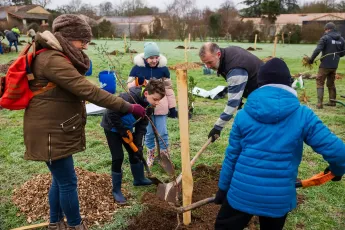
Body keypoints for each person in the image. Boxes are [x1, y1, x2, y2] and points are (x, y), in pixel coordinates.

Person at [23, 14, 146, 230]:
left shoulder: (53, 56)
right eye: (83, 41)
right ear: (68, 38)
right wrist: (128, 106)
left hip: (53, 129)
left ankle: (55, 223)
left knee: (59, 181)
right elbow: (88, 90)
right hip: (50, 132)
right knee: (68, 182)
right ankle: (75, 225)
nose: (86, 47)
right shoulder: (53, 59)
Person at [214, 58, 345, 230]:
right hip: (278, 198)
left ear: (260, 83)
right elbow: (340, 153)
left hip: (242, 194)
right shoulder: (303, 115)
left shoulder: (243, 115)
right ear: (289, 83)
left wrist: (223, 189)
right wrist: (337, 170)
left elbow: (232, 156)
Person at [101, 79, 166, 204]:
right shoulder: (129, 98)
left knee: (135, 152)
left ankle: (139, 179)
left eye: (159, 100)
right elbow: (111, 112)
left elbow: (142, 127)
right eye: (155, 99)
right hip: (112, 127)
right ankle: (116, 190)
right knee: (118, 157)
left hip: (127, 127)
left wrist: (138, 143)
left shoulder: (149, 107)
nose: (157, 103)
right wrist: (121, 131)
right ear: (146, 93)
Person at [199, 42, 263, 142]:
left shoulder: (235, 68)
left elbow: (233, 103)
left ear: (218, 54)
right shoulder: (227, 55)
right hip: (257, 93)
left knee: (259, 131)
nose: (207, 67)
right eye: (205, 63)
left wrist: (217, 127)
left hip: (267, 96)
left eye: (210, 62)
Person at [127, 42, 177, 167]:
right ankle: (150, 156)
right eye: (151, 58)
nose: (154, 60)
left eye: (156, 57)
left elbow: (169, 90)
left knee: (163, 132)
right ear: (145, 58)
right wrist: (137, 82)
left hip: (161, 107)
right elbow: (130, 87)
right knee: (148, 133)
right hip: (144, 108)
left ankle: (164, 157)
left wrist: (172, 107)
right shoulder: (137, 69)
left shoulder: (163, 70)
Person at [308, 22, 345, 109]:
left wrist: (311, 59)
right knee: (331, 83)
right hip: (334, 65)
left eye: (325, 30)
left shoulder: (325, 38)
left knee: (320, 82)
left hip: (325, 65)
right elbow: (343, 53)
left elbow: (318, 49)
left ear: (327, 29)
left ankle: (319, 104)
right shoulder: (342, 39)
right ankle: (332, 102)